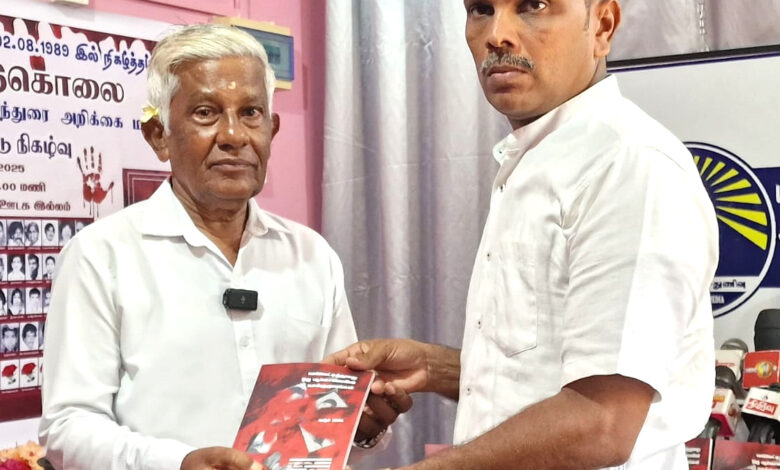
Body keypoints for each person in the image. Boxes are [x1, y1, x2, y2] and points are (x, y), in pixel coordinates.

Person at [327, 1, 718, 469]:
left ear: (602, 26)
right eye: (481, 9)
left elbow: (604, 421)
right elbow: (550, 373)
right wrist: (437, 368)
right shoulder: (539, 157)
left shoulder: (628, 165)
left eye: (533, 5)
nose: (497, 34)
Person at [39, 24, 408, 470]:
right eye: (206, 113)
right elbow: (68, 428)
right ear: (159, 135)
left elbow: (331, 418)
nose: (234, 135)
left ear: (271, 129)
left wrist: (363, 428)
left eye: (251, 112)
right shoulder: (101, 257)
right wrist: (177, 464)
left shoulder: (312, 256)